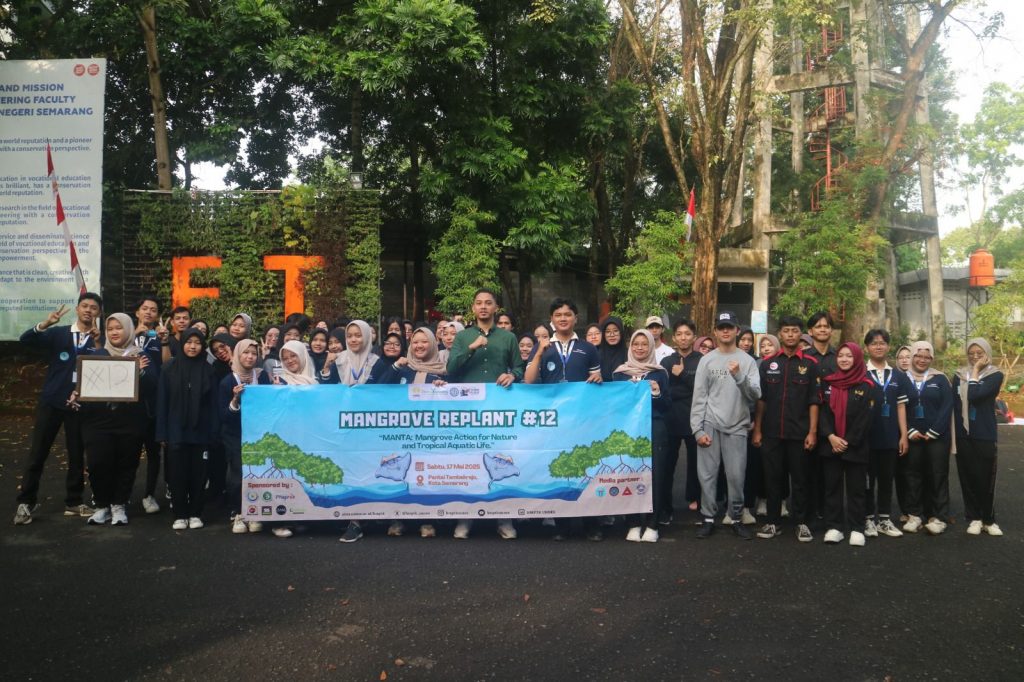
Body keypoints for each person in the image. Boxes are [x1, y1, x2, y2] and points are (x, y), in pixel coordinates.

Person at [13, 293, 102, 525]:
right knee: (38, 453)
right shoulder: (59, 333)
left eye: (93, 307)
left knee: (76, 455)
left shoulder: (98, 339)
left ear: (98, 313)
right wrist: (45, 324)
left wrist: (99, 344)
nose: (88, 310)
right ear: (77, 309)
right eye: (85, 306)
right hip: (52, 401)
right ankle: (26, 502)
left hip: (79, 404)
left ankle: (74, 501)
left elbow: (104, 368)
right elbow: (25, 340)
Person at [446, 288, 526, 539]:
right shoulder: (463, 337)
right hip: (468, 410)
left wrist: (512, 375)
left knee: (500, 460)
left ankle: (504, 518)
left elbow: (519, 367)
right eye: (479, 303)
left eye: (488, 303)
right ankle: (465, 517)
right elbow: (451, 369)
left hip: (498, 409)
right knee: (468, 461)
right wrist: (472, 347)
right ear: (473, 308)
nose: (483, 307)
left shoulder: (507, 338)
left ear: (495, 308)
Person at [524, 298, 602, 541]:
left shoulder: (588, 348)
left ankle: (592, 525)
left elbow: (597, 378)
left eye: (567, 314)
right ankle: (562, 525)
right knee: (559, 469)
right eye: (558, 315)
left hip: (582, 419)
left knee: (587, 467)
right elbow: (529, 380)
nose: (563, 318)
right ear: (552, 320)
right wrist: (540, 352)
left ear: (575, 318)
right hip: (555, 420)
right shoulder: (543, 346)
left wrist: (598, 379)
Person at [77, 313, 160, 526]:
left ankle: (119, 505)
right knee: (97, 463)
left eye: (119, 327)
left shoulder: (140, 354)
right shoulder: (98, 354)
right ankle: (102, 506)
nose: (114, 332)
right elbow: (84, 383)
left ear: (129, 329)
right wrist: (76, 394)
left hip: (130, 421)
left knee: (127, 464)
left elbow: (153, 385)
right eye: (110, 328)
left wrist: (139, 372)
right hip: (97, 422)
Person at [690, 311, 761, 540]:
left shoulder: (747, 361)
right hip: (710, 423)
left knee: (736, 476)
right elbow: (699, 397)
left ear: (737, 331)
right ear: (715, 331)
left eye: (730, 327)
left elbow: (755, 395)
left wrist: (739, 376)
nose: (726, 331)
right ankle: (708, 518)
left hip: (737, 425)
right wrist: (697, 429)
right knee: (707, 475)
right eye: (721, 327)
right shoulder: (707, 360)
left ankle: (736, 518)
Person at [376, 327, 450, 538]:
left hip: (429, 434)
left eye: (424, 341)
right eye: (415, 342)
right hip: (401, 432)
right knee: (400, 474)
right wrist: (394, 367)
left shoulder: (442, 370)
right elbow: (377, 390)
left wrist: (443, 387)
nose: (419, 346)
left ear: (433, 344)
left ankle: (427, 520)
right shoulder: (403, 368)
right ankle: (398, 519)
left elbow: (452, 403)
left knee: (425, 475)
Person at [752, 316, 820, 542]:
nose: (790, 334)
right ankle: (773, 522)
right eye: (786, 330)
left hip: (799, 433)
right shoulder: (768, 364)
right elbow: (761, 400)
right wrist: (758, 429)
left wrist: (812, 432)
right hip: (772, 432)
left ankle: (801, 523)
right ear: (780, 334)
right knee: (772, 479)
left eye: (794, 330)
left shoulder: (810, 365)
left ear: (801, 334)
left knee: (800, 480)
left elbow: (814, 400)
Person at [156, 328, 219, 530]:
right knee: (177, 474)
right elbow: (162, 403)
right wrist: (162, 432)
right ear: (182, 343)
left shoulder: (209, 370)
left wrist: (214, 432)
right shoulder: (169, 369)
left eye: (197, 343)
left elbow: (214, 405)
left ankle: (195, 513)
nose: (193, 346)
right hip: (176, 430)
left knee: (199, 475)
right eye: (189, 342)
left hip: (201, 431)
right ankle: (180, 514)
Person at [613, 329, 671, 542]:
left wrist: (656, 393)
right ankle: (633, 523)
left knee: (656, 475)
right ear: (630, 346)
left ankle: (653, 525)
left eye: (644, 344)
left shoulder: (660, 373)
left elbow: (667, 406)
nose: (640, 348)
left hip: (654, 427)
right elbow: (614, 406)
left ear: (651, 346)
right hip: (629, 431)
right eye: (636, 344)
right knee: (630, 474)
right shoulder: (619, 374)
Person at [817, 343, 875, 546]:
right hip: (830, 444)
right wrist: (831, 436)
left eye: (849, 356)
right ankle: (834, 527)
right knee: (832, 487)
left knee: (856, 489)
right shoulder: (828, 383)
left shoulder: (866, 385)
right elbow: (822, 412)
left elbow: (865, 418)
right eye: (841, 355)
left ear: (857, 358)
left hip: (856, 446)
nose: (844, 359)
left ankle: (857, 528)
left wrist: (848, 441)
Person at [219, 339, 275, 535]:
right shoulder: (228, 381)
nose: (250, 357)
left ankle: (255, 512)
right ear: (238, 354)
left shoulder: (262, 377)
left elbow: (270, 406)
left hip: (259, 436)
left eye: (254, 353)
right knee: (237, 474)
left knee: (259, 473)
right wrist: (235, 400)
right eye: (246, 353)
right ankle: (238, 513)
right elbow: (223, 416)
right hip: (235, 436)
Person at [953, 338, 1005, 536]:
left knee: (986, 477)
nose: (975, 356)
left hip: (984, 432)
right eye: (971, 353)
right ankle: (974, 518)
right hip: (963, 433)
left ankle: (989, 519)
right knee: (967, 476)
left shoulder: (995, 375)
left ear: (987, 354)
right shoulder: (959, 375)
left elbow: (974, 395)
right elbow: (955, 404)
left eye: (979, 353)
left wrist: (975, 371)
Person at [863, 329, 910, 538]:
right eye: (874, 343)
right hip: (867, 438)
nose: (878, 346)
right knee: (867, 481)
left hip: (890, 436)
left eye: (882, 343)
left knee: (886, 479)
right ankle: (867, 519)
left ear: (888, 346)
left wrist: (903, 435)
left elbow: (901, 407)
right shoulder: (861, 373)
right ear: (867, 347)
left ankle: (884, 519)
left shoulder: (898, 376)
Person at [902, 341, 953, 535]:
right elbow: (899, 407)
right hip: (913, 436)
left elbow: (947, 406)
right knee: (912, 475)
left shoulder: (940, 379)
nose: (922, 360)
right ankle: (914, 515)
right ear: (912, 356)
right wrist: (909, 430)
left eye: (927, 357)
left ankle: (939, 517)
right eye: (918, 356)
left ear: (931, 358)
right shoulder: (902, 378)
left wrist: (934, 431)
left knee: (938, 475)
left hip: (937, 436)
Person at [661, 319, 703, 519]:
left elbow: (703, 390)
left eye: (687, 334)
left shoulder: (702, 360)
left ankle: (696, 500)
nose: (683, 337)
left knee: (697, 464)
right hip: (670, 419)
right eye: (679, 334)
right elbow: (663, 390)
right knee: (667, 465)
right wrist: (686, 390)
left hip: (695, 419)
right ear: (674, 338)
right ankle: (665, 507)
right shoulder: (666, 362)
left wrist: (683, 375)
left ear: (694, 337)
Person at [132, 295, 165, 515]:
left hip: (153, 404)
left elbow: (167, 365)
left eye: (153, 310)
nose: (149, 312)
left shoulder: (160, 338)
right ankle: (123, 494)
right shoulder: (123, 335)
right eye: (145, 308)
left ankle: (149, 495)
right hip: (129, 405)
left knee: (154, 453)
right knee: (129, 452)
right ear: (137, 312)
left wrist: (164, 341)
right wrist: (134, 334)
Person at [335, 320, 379, 387]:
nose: (353, 340)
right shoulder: (339, 359)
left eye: (358, 336)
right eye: (349, 336)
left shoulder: (376, 362)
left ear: (367, 337)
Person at [597, 316, 628, 382]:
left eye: (615, 331)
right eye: (608, 332)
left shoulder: (630, 355)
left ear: (621, 332)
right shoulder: (597, 355)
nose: (612, 335)